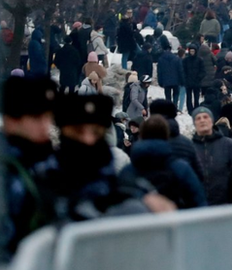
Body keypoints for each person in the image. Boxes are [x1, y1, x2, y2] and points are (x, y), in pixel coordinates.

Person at [37, 93, 176, 221]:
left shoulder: (119, 175)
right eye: (78, 132)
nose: (88, 140)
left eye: (96, 132)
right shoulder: (44, 178)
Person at [1, 76, 57, 260]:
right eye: (35, 118)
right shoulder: (7, 165)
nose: (45, 126)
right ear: (11, 120)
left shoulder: (42, 159)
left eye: (48, 117)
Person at [121, 115, 207, 209]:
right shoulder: (181, 168)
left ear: (142, 135)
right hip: (176, 221)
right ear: (166, 135)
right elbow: (199, 204)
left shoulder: (127, 172)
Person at [191, 106, 232, 206]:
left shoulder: (228, 145)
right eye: (198, 118)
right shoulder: (190, 147)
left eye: (205, 117)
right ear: (194, 123)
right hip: (197, 207)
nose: (202, 120)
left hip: (224, 204)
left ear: (212, 120)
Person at [183, 43, 205, 112]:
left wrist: (199, 78)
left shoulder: (199, 60)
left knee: (196, 97)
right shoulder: (185, 60)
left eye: (193, 51)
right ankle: (189, 108)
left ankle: (196, 107)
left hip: (196, 81)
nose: (192, 53)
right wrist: (185, 78)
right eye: (191, 51)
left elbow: (203, 71)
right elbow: (183, 70)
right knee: (188, 97)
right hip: (188, 81)